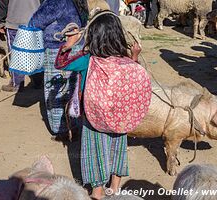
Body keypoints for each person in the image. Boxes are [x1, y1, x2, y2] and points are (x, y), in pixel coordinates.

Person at [54, 11, 152, 199]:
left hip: (93, 116)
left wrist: (68, 46)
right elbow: (132, 81)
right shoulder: (124, 60)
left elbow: (61, 64)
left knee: (95, 150)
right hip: (120, 116)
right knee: (118, 148)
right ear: (118, 35)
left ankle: (97, 191)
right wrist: (135, 56)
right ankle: (115, 188)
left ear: (93, 37)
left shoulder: (87, 59)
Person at [28, 0, 88, 140]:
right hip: (77, 46)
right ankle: (75, 126)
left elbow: (37, 21)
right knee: (73, 89)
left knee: (56, 89)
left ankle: (62, 130)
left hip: (58, 48)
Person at [0, 0, 43, 92]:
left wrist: (1, 21)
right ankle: (38, 82)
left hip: (14, 22)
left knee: (16, 54)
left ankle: (16, 84)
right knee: (36, 52)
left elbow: (3, 2)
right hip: (35, 21)